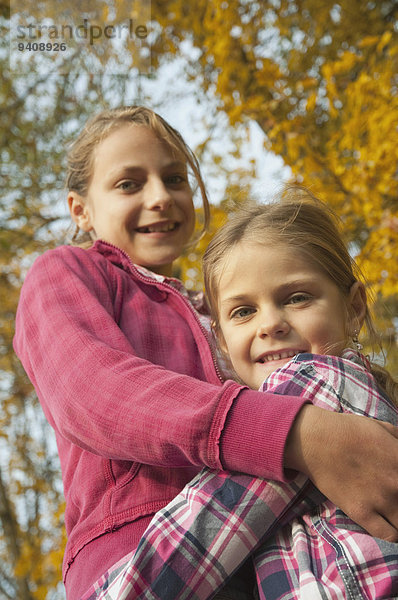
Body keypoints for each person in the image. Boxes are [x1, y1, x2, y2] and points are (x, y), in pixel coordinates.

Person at [12, 107, 398, 600]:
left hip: (268, 554)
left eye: (174, 178)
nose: (159, 197)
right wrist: (297, 432)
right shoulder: (68, 272)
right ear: (80, 209)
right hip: (144, 554)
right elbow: (92, 391)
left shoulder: (226, 316)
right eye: (129, 184)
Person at [82, 191, 398, 600]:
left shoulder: (317, 381)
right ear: (222, 341)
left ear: (354, 308)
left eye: (297, 297)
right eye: (243, 311)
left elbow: (197, 537)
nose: (270, 324)